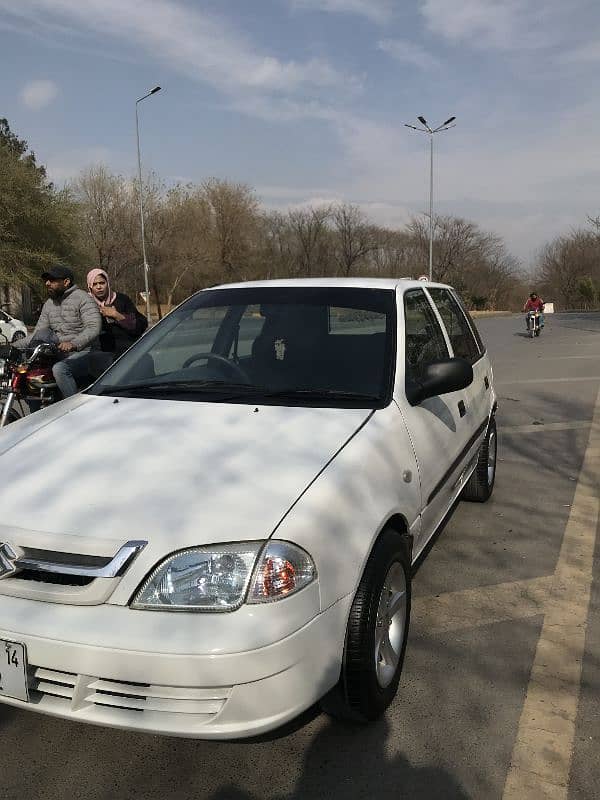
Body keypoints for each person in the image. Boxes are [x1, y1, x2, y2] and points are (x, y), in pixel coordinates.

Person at [30, 265, 102, 398]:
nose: (47, 283)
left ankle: (73, 409)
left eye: (52, 280)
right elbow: (38, 333)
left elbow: (93, 327)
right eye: (46, 280)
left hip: (85, 352)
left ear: (66, 282)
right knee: (31, 372)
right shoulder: (49, 304)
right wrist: (15, 346)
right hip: (59, 353)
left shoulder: (83, 298)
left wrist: (74, 343)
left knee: (60, 369)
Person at [86, 268, 147, 373]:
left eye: (102, 283)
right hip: (101, 352)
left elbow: (141, 324)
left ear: (108, 283)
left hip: (127, 349)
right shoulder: (86, 304)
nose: (99, 287)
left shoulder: (122, 299)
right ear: (90, 286)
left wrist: (117, 315)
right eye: (95, 284)